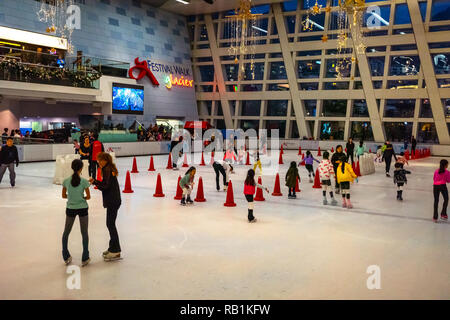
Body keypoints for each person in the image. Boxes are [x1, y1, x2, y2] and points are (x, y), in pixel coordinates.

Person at [90, 152, 122, 261]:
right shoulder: (108, 168)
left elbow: (105, 186)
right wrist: (96, 182)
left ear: (105, 160)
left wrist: (94, 182)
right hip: (114, 199)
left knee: (110, 224)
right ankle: (112, 248)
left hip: (113, 200)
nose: (98, 162)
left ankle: (116, 250)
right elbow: (105, 184)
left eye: (99, 160)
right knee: (110, 224)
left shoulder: (106, 169)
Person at [61, 159, 91, 266]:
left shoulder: (66, 181)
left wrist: (72, 197)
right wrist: (81, 197)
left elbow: (64, 196)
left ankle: (65, 255)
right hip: (83, 208)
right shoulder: (84, 181)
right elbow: (88, 196)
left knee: (66, 233)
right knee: (84, 233)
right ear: (81, 168)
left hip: (70, 208)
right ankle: (85, 257)